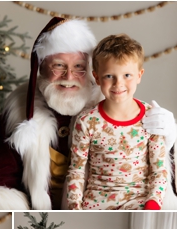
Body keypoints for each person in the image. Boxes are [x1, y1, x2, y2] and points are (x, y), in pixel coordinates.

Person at [0, 17, 177, 210]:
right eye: (59, 65)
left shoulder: (111, 101)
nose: (69, 76)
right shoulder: (20, 113)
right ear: (42, 68)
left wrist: (170, 137)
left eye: (79, 67)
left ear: (91, 72)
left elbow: (151, 164)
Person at [65, 34, 169, 210]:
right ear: (97, 78)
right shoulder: (86, 121)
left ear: (139, 75)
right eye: (109, 76)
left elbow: (159, 171)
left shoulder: (151, 117)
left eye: (127, 75)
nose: (118, 84)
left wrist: (153, 204)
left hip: (139, 203)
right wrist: (76, 207)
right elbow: (76, 171)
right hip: (95, 203)